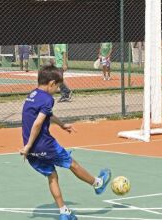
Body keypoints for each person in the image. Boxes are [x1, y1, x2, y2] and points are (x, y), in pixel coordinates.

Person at [19, 65, 111, 220]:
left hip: (33, 151)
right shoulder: (48, 99)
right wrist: (27, 145)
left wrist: (61, 125)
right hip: (44, 145)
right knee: (72, 164)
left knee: (52, 176)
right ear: (51, 83)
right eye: (57, 86)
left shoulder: (32, 95)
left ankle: (63, 212)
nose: (57, 90)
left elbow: (47, 114)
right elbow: (38, 123)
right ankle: (97, 183)